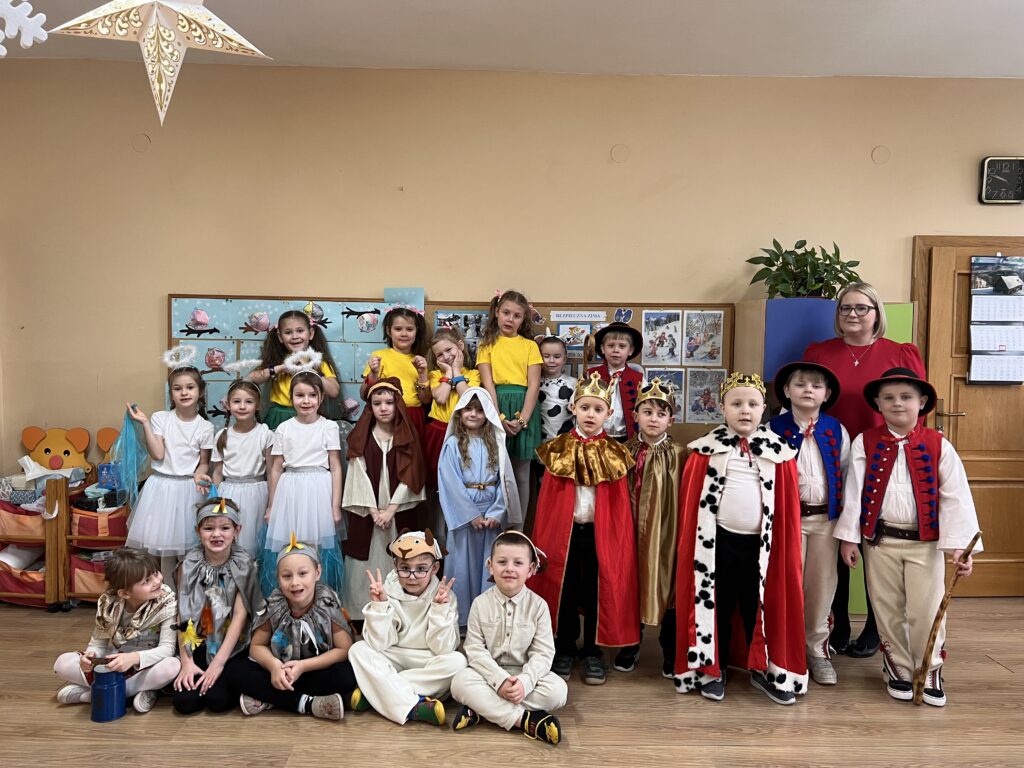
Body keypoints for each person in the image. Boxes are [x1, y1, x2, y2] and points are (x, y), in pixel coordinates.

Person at [834, 368, 982, 707]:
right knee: (886, 606)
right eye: (889, 398)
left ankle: (929, 666)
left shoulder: (939, 445)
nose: (897, 403)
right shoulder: (864, 442)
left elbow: (955, 497)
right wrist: (849, 538)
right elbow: (853, 494)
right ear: (877, 403)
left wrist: (960, 547)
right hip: (880, 542)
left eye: (906, 397)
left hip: (925, 544)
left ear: (922, 402)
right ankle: (897, 664)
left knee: (926, 607)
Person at [804, 282, 926, 658]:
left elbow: (915, 410)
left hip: (881, 459)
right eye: (845, 308)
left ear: (877, 313)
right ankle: (836, 623)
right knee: (834, 543)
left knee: (877, 544)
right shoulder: (819, 352)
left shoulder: (900, 353)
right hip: (828, 460)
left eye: (861, 307)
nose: (853, 314)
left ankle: (876, 627)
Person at [673, 373, 806, 705]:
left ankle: (764, 669)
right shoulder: (706, 450)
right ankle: (712, 669)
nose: (744, 410)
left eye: (752, 404)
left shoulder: (779, 453)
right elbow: (692, 506)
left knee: (757, 606)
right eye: (736, 404)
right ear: (722, 408)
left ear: (764, 409)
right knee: (716, 605)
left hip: (762, 548)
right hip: (717, 544)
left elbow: (786, 510)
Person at [528, 373, 640, 686]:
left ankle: (592, 651)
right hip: (564, 532)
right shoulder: (558, 448)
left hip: (599, 533)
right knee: (563, 588)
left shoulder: (616, 452)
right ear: (573, 408)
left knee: (596, 589)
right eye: (585, 407)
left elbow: (619, 504)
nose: (591, 414)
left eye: (598, 409)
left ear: (609, 413)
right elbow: (549, 501)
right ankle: (564, 646)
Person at [769, 362, 850, 686]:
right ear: (787, 391)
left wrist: (846, 525)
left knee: (821, 586)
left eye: (816, 386)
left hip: (825, 522)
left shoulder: (836, 430)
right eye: (800, 384)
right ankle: (782, 649)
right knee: (786, 584)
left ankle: (816, 649)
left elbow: (847, 475)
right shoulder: (773, 428)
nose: (808, 390)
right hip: (788, 521)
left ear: (826, 394)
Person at [450, 531, 567, 746]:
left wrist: (524, 682)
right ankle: (526, 720)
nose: (509, 568)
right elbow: (474, 650)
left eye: (518, 563)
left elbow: (543, 653)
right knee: (459, 683)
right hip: (488, 675)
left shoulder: (539, 606)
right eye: (502, 562)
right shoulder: (480, 603)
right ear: (490, 566)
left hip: (525, 675)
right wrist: (500, 681)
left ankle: (483, 710)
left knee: (558, 691)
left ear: (531, 569)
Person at [347, 530, 467, 726]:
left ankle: (376, 692)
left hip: (427, 658)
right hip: (393, 655)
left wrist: (439, 610)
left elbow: (443, 649)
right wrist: (380, 606)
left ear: (435, 568)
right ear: (395, 566)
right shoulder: (386, 591)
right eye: (405, 568)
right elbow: (378, 644)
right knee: (358, 649)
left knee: (458, 662)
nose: (412, 576)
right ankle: (413, 706)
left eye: (421, 569)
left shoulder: (446, 596)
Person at [227, 536, 354, 720]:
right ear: (278, 578)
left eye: (303, 574)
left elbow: (344, 649)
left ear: (317, 572)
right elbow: (256, 646)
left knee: (346, 677)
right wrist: (274, 666)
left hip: (314, 669)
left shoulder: (326, 604)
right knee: (234, 670)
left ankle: (271, 698)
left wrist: (303, 666)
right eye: (287, 576)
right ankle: (308, 703)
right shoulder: (274, 604)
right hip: (280, 669)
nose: (295, 582)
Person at [614, 378, 686, 678]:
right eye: (647, 412)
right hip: (629, 531)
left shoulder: (681, 455)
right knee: (630, 584)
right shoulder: (623, 452)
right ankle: (630, 644)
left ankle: (670, 648)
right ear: (635, 416)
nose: (653, 419)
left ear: (671, 420)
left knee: (668, 586)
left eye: (660, 413)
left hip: (666, 534)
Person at [54, 548, 181, 713]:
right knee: (62, 663)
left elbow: (167, 649)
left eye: (156, 573)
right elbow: (98, 643)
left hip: (147, 664)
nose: (157, 581)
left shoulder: (167, 602)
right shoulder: (108, 604)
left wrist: (133, 658)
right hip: (114, 662)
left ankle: (94, 695)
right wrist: (90, 658)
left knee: (172, 666)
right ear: (125, 593)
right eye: (146, 581)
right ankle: (138, 690)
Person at [342, 378, 426, 621]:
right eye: (377, 403)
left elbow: (412, 475)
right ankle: (360, 611)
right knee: (364, 556)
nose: (384, 408)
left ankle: (399, 611)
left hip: (398, 509)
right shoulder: (362, 436)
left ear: (397, 404)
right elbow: (358, 474)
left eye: (389, 402)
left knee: (401, 553)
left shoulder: (407, 436)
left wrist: (391, 510)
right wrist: (373, 510)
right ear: (370, 407)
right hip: (369, 510)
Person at [172, 497, 264, 714]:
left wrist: (218, 663)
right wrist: (186, 660)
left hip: (231, 644)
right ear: (198, 531)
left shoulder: (243, 564)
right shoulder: (189, 565)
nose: (216, 534)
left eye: (225, 528)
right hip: (197, 641)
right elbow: (182, 613)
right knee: (185, 703)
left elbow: (240, 616)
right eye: (208, 528)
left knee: (218, 701)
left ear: (237, 530)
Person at [438, 389, 523, 627]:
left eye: (479, 410)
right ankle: (462, 619)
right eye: (468, 409)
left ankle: (486, 621)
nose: (473, 414)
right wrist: (470, 515)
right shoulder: (453, 444)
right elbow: (450, 483)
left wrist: (496, 512)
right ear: (460, 412)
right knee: (462, 568)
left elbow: (504, 481)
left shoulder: (495, 443)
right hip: (464, 517)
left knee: (488, 566)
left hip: (490, 516)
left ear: (488, 415)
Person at [125, 363, 215, 585]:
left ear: (200, 392)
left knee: (189, 553)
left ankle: (188, 600)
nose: (184, 392)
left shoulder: (205, 427)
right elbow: (157, 454)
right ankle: (168, 598)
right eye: (177, 388)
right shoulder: (161, 418)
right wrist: (145, 423)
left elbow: (204, 463)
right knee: (165, 552)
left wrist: (199, 475)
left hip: (188, 490)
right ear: (171, 393)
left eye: (190, 387)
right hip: (161, 489)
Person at [261, 371, 343, 596]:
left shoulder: (328, 427)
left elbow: (336, 467)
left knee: (315, 548)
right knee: (289, 544)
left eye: (312, 395)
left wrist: (335, 506)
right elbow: (276, 468)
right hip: (290, 490)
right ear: (291, 398)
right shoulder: (284, 428)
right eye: (299, 395)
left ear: (321, 398)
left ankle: (316, 598)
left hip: (318, 490)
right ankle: (290, 597)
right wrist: (271, 505)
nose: (306, 401)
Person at [477, 290, 543, 518]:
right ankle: (498, 523)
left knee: (522, 473)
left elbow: (534, 385)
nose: (510, 319)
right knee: (496, 471)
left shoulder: (530, 346)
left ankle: (519, 526)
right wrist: (498, 418)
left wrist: (522, 420)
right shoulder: (486, 345)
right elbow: (487, 384)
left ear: (523, 319)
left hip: (524, 408)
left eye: (517, 315)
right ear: (497, 312)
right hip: (496, 406)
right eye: (506, 313)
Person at [204, 380, 274, 557]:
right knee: (230, 541)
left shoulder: (265, 434)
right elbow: (217, 473)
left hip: (257, 494)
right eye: (236, 401)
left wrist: (271, 505)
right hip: (228, 494)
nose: (242, 406)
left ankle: (252, 575)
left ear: (258, 405)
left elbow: (272, 472)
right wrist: (213, 501)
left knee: (253, 544)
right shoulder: (222, 436)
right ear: (228, 405)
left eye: (248, 401)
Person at [246, 310, 340, 430]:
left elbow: (334, 391)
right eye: (288, 332)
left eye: (300, 331)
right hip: (279, 416)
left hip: (309, 415)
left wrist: (310, 370)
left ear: (311, 333)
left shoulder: (319, 362)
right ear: (280, 337)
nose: (295, 336)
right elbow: (249, 379)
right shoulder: (277, 360)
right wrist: (280, 368)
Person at [423, 325, 482, 483]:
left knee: (460, 476)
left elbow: (468, 399)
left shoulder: (474, 374)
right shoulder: (435, 375)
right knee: (435, 477)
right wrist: (449, 372)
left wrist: (456, 371)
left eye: (449, 350)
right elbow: (441, 398)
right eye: (440, 355)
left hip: (463, 431)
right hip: (437, 431)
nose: (446, 356)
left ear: (460, 346)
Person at [361, 305, 432, 436]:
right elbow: (363, 395)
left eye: (409, 329)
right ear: (389, 331)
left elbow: (426, 400)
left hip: (413, 416)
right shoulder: (379, 356)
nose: (404, 334)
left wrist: (422, 374)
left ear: (416, 331)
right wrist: (373, 374)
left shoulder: (420, 361)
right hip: (386, 415)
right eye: (398, 329)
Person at [586, 322, 645, 442]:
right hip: (596, 438)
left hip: (627, 439)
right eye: (611, 345)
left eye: (622, 346)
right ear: (603, 348)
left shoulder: (639, 379)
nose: (616, 350)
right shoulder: (591, 375)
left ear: (630, 350)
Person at [535, 331, 576, 442]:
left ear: (564, 359)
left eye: (557, 356)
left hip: (566, 443)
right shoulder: (534, 383)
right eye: (546, 356)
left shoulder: (574, 384)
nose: (551, 361)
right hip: (539, 443)